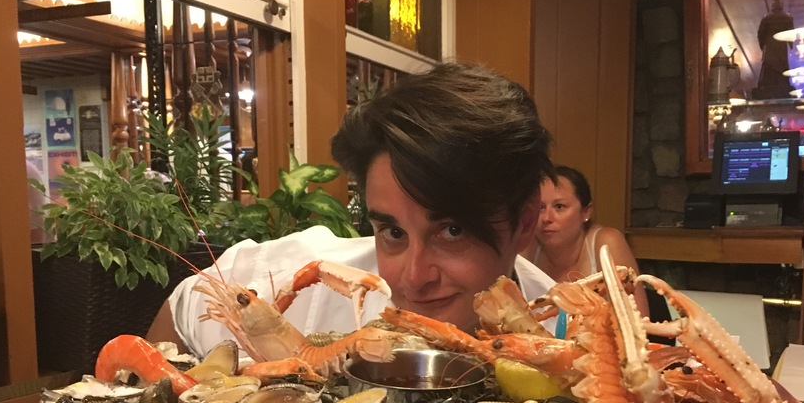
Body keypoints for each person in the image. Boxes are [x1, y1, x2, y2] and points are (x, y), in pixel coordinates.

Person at [147, 62, 558, 358]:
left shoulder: (562, 335)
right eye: (393, 234)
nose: (414, 278)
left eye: (452, 231)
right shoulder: (299, 280)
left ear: (523, 223)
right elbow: (185, 304)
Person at [525, 165, 649, 317]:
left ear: (586, 212)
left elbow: (637, 319)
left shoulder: (606, 242)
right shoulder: (526, 245)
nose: (546, 218)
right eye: (540, 207)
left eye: (559, 207)